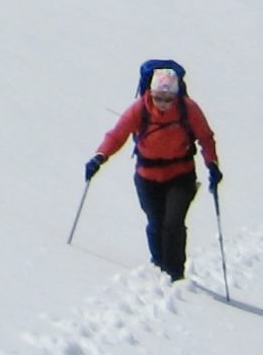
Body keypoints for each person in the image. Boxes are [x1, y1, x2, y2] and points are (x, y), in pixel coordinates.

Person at [85, 64, 221, 281]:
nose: (163, 103)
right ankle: (159, 266)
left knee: (173, 223)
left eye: (168, 99)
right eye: (159, 98)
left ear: (176, 95)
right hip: (147, 178)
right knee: (155, 222)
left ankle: (174, 274)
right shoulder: (140, 109)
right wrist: (100, 157)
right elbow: (117, 135)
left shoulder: (188, 109)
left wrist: (212, 164)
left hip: (181, 174)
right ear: (150, 92)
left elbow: (205, 137)